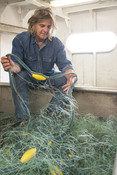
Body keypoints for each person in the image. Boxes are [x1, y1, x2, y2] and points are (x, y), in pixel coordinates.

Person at [1, 7, 77, 123]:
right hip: (29, 77)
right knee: (18, 77)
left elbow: (65, 65)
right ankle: (22, 119)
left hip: (48, 77)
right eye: (42, 25)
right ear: (33, 25)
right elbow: (17, 66)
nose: (45, 30)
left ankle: (50, 115)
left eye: (49, 27)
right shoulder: (20, 40)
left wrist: (71, 76)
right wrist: (13, 68)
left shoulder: (56, 43)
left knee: (69, 81)